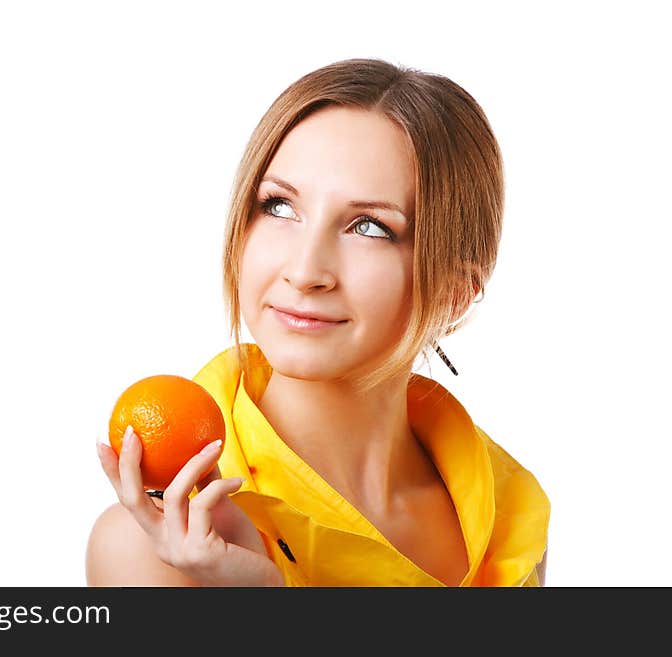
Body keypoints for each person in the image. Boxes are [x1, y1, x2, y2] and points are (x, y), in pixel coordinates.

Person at [86, 57, 550, 587]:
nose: (305, 272)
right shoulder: (159, 549)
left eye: (368, 226)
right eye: (279, 207)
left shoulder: (509, 518)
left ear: (454, 292)